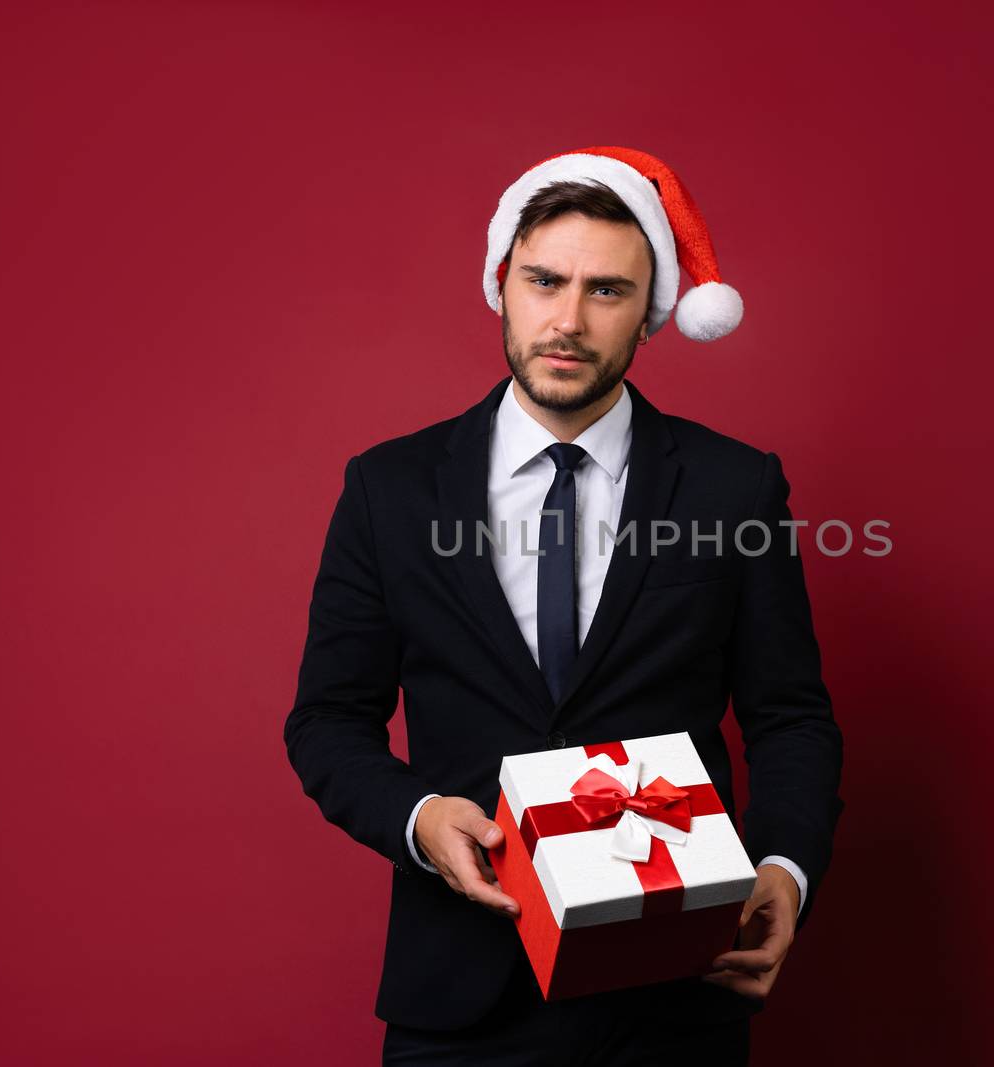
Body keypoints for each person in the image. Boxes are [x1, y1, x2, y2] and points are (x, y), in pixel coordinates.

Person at [284, 146, 844, 1065]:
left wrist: (783, 867)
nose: (570, 320)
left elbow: (791, 717)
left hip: (676, 999)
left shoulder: (732, 486)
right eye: (546, 280)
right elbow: (327, 721)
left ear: (652, 316)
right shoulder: (390, 489)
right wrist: (420, 816)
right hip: (461, 1000)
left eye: (608, 291)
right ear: (502, 284)